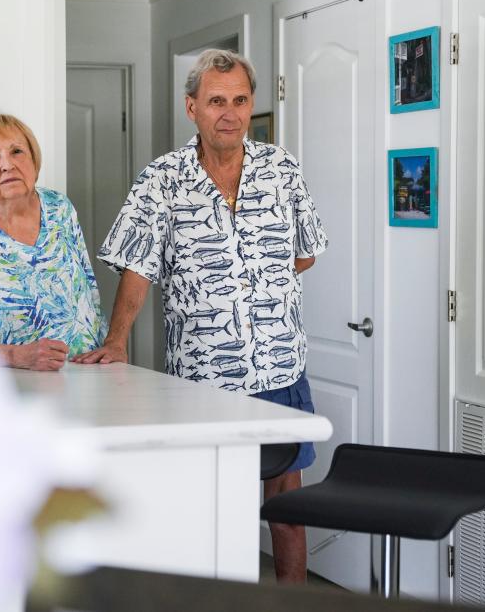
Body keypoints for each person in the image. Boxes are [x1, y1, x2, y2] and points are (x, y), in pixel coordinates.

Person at [73, 49, 328, 584]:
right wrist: (117, 340)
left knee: (288, 512)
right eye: (216, 101)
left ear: (251, 104)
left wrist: (256, 290)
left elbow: (303, 253)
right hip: (205, 382)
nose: (229, 113)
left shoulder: (283, 170)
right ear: (192, 107)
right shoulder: (161, 180)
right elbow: (137, 269)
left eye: (239, 100)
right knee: (214, 513)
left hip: (280, 370)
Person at [0, 113, 107, 371]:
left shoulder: (60, 207)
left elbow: (89, 292)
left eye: (17, 151)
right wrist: (17, 357)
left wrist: (106, 350)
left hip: (87, 375)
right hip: (10, 385)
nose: (7, 165)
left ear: (34, 162)